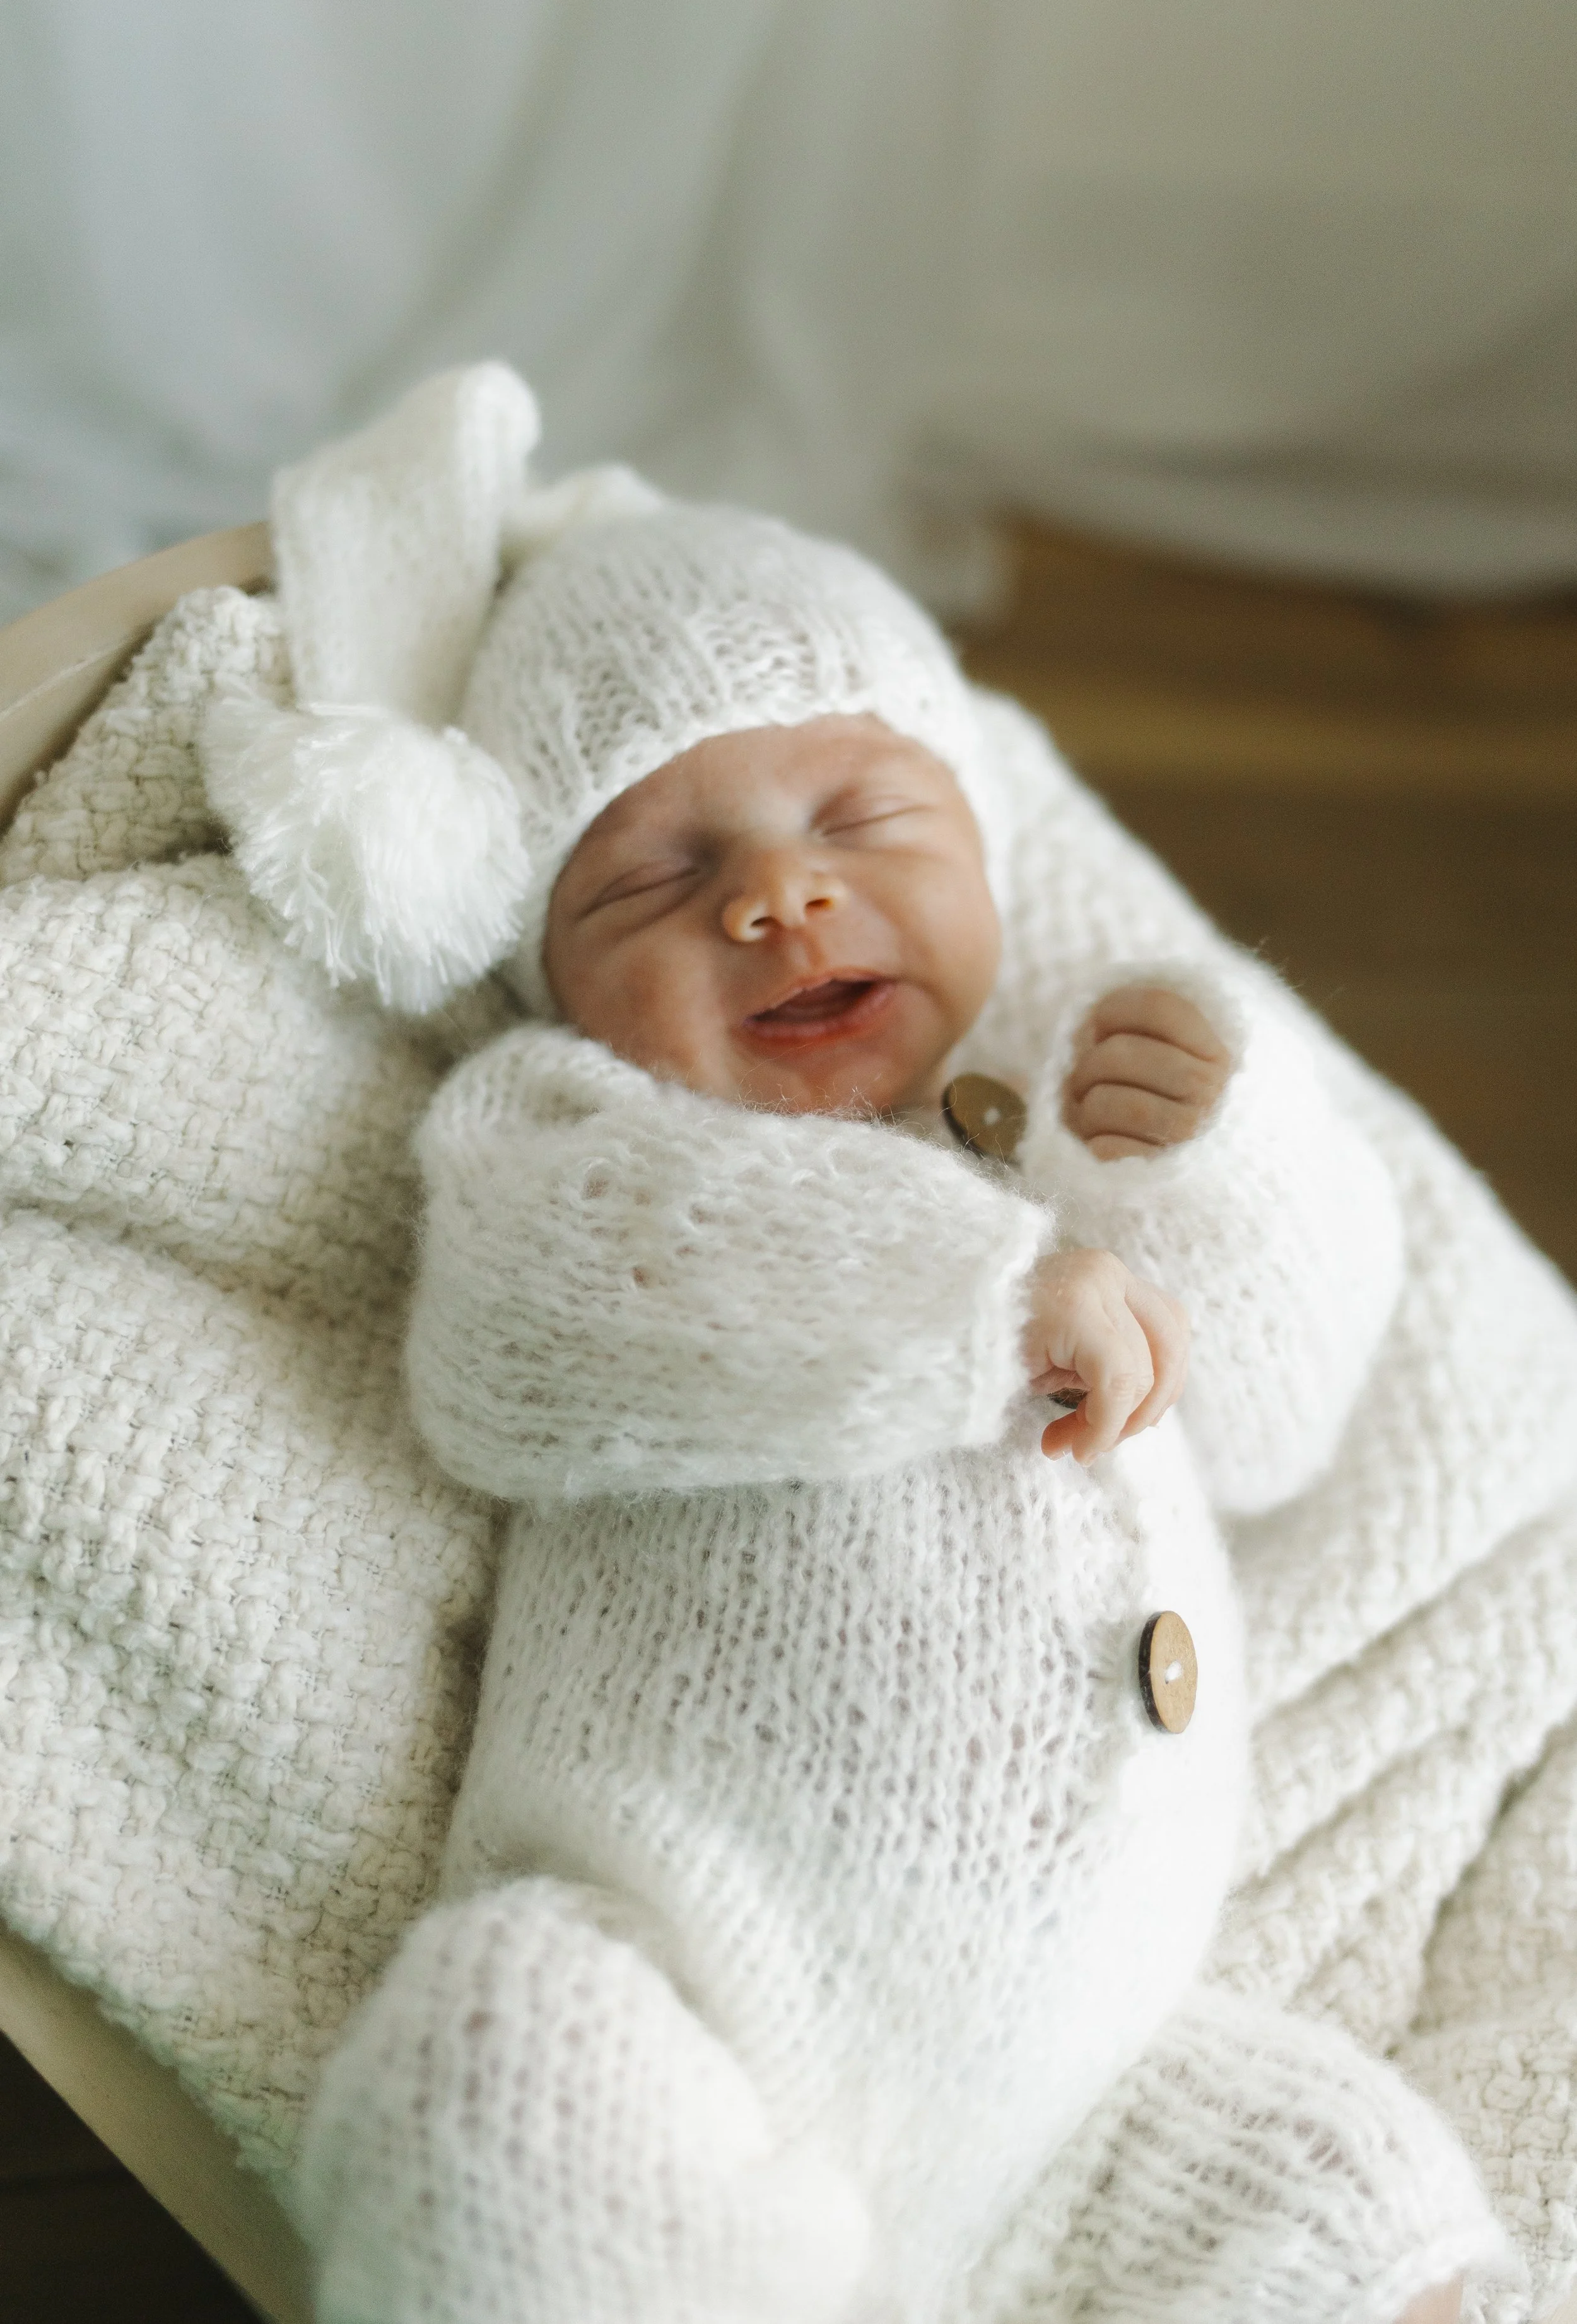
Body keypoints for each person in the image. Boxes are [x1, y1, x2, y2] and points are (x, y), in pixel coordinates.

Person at [200, 366, 1506, 2324]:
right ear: (547, 980)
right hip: (709, 1983)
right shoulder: (569, 1144)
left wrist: (1221, 1158)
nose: (778, 895)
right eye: (654, 874)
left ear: (982, 852)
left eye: (859, 816)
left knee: (1365, 2193)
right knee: (494, 2065)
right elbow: (526, 1334)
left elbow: (1282, 1414)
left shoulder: (1068, 1110)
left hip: (1095, 2074)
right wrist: (965, 1298)